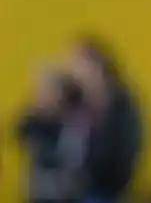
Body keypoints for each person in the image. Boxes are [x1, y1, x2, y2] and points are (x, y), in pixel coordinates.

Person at [69, 36, 143, 203]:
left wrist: (120, 178)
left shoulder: (120, 101)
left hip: (108, 189)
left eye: (79, 64)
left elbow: (130, 144)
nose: (75, 71)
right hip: (78, 189)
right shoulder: (77, 102)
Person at [18, 70, 87, 203]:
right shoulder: (36, 121)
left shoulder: (73, 124)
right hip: (39, 193)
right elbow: (19, 132)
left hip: (66, 195)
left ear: (61, 95)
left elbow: (68, 158)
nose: (40, 97)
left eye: (46, 92)